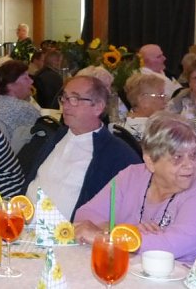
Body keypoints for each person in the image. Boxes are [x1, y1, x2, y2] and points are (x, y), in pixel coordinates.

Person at [74, 113, 196, 273]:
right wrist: (123, 231)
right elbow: (85, 215)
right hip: (145, 274)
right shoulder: (132, 175)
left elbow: (172, 246)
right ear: (150, 161)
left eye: (193, 155)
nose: (190, 165)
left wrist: (105, 237)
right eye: (177, 157)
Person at [25, 75, 141, 220]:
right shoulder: (57, 136)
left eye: (75, 99)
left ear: (98, 106)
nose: (65, 105)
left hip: (64, 237)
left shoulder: (117, 154)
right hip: (23, 223)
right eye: (64, 98)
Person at [0, 60, 40, 142]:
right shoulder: (23, 108)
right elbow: (45, 131)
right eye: (25, 78)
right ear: (11, 85)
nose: (31, 81)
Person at [122, 73, 168, 140]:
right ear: (143, 99)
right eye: (160, 96)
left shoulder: (126, 123)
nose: (165, 101)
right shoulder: (151, 133)